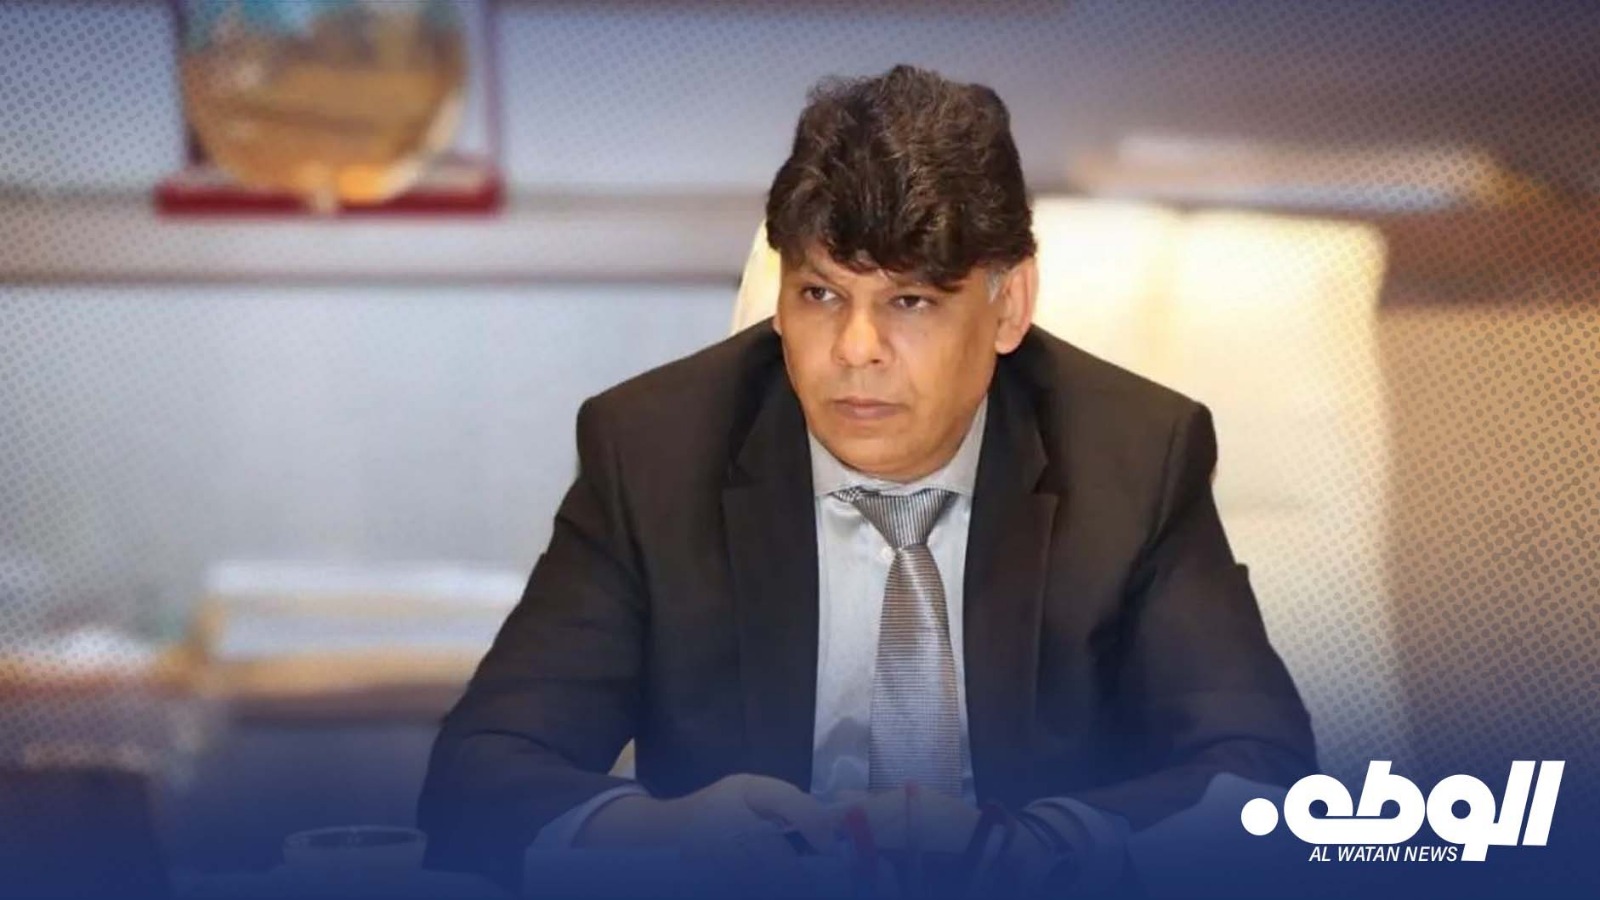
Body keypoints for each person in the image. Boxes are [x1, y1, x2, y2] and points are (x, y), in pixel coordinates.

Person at [417, 64, 1315, 895]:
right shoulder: (654, 451)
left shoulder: (1136, 457)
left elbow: (1261, 778)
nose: (855, 350)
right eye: (820, 295)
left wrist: (1029, 849)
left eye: (909, 302)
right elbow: (478, 778)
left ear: (1008, 305)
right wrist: (664, 835)